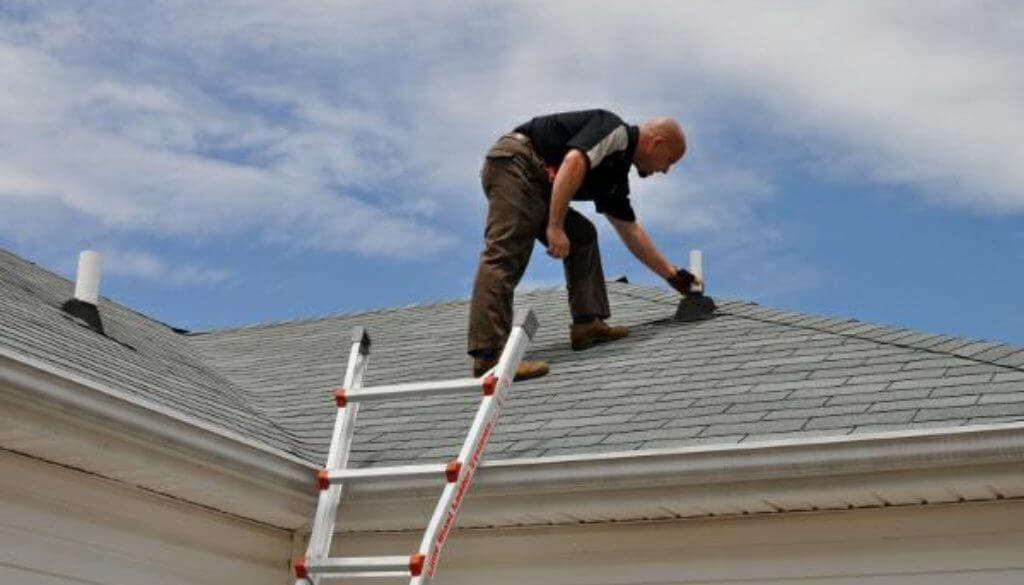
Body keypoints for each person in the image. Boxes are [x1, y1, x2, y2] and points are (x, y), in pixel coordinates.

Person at [467, 109, 702, 380]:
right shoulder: (615, 131)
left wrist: (672, 276)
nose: (666, 170)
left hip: (536, 178)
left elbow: (630, 230)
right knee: (505, 254)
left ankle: (587, 324)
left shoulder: (614, 177)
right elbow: (574, 162)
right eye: (669, 161)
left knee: (582, 235)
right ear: (657, 143)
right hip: (516, 163)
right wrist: (555, 226)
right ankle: (490, 357)